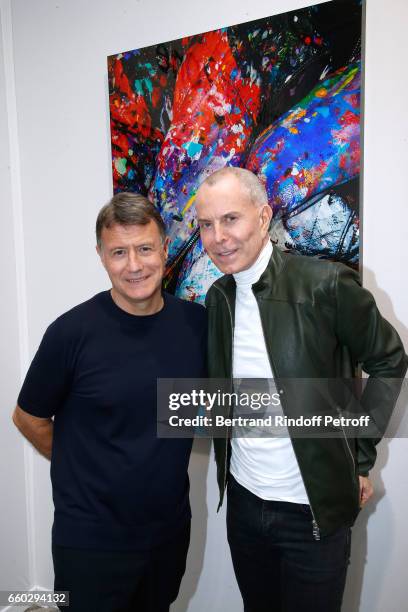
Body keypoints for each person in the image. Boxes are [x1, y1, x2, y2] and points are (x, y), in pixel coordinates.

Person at [195, 166, 407, 612]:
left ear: (264, 215)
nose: (218, 237)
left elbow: (388, 360)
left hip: (313, 510)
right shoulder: (218, 298)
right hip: (246, 506)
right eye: (206, 225)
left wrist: (360, 457)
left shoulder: (326, 284)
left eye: (230, 219)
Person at [12, 192, 207, 612]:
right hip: (90, 540)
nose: (134, 265)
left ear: (164, 249)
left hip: (167, 533)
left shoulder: (196, 325)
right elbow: (28, 417)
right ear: (101, 256)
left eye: (144, 249)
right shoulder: (70, 333)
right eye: (119, 252)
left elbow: (222, 404)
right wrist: (82, 470)